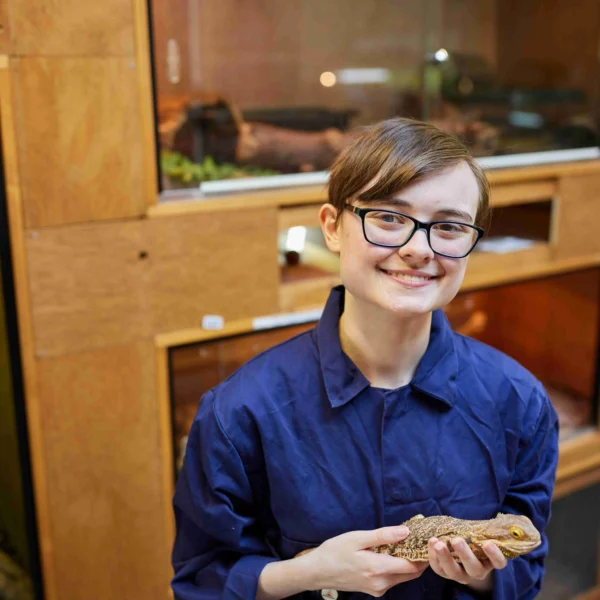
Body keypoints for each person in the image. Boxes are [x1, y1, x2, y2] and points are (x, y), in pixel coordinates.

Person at [171, 118, 559, 600]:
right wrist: (307, 573)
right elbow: (201, 579)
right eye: (389, 218)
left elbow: (527, 566)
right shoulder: (238, 412)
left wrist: (478, 570)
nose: (418, 249)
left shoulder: (520, 402)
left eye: (449, 226)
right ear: (332, 227)